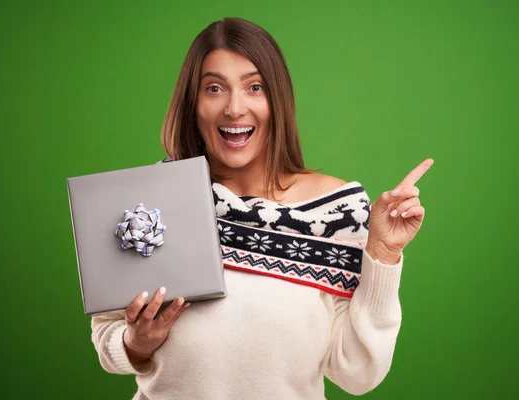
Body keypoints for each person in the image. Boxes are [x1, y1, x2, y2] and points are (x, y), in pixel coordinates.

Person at [91, 17, 433, 400]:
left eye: (255, 87)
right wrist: (136, 343)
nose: (235, 108)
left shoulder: (337, 212)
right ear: (193, 103)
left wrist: (383, 253)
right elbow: (107, 338)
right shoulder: (148, 203)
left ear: (278, 101)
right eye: (214, 88)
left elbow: (357, 373)